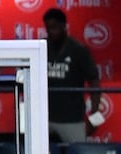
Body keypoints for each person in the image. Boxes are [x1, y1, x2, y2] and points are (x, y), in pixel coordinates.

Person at [42, 8, 102, 144]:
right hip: (44, 118)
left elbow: (94, 82)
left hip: (72, 119)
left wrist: (95, 115)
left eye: (55, 27)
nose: (52, 32)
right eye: (48, 28)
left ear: (64, 26)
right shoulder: (41, 48)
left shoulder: (78, 50)